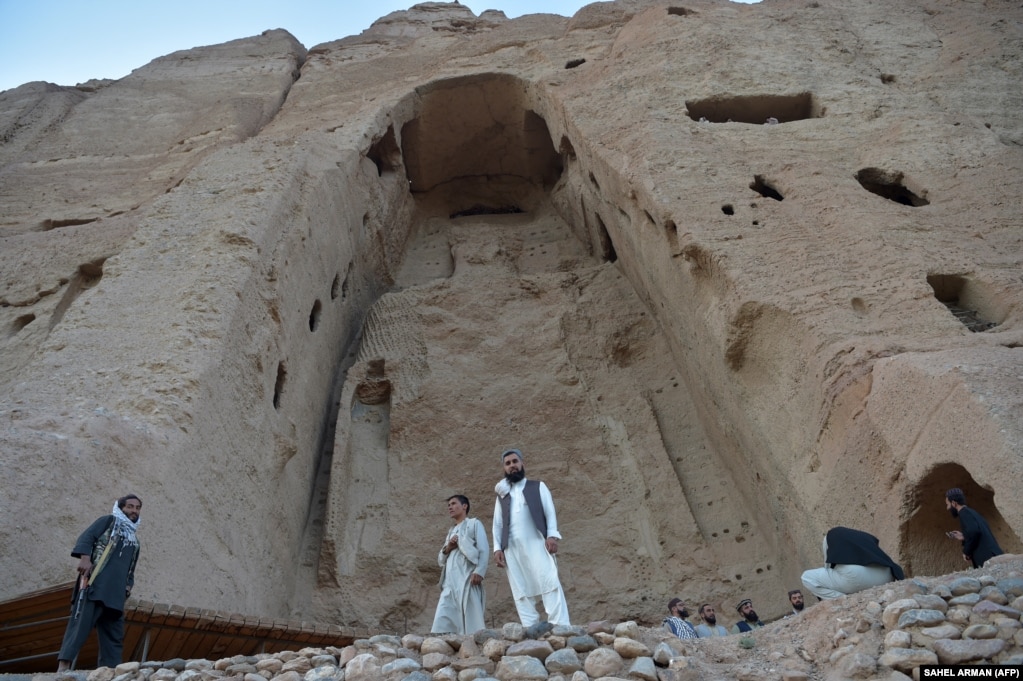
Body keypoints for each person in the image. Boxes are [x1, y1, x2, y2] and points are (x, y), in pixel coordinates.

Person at [56, 495, 142, 672]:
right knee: (80, 625)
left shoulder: (134, 540)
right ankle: (63, 667)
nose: (134, 511)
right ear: (121, 508)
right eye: (130, 506)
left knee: (113, 635)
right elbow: (87, 537)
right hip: (95, 584)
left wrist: (128, 586)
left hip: (116, 593)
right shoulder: (109, 522)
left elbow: (130, 568)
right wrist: (85, 559)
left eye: (137, 508)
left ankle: (110, 671)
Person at [492, 448, 570, 626]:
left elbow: (550, 512)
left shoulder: (538, 486)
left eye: (515, 462)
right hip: (512, 548)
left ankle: (561, 626)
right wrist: (497, 548)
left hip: (538, 544)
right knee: (520, 589)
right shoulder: (502, 497)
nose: (512, 466)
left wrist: (552, 536)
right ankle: (530, 627)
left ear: (522, 464)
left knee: (549, 581)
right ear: (504, 469)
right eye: (508, 464)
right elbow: (497, 524)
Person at [431, 494, 489, 634]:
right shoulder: (451, 531)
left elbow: (483, 549)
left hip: (467, 578)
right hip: (450, 581)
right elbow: (441, 559)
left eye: (453, 503)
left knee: (471, 616)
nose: (450, 507)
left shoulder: (474, 524)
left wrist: (479, 571)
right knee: (444, 613)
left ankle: (475, 645)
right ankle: (442, 644)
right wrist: (449, 547)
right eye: (449, 505)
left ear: (464, 506)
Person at [800, 526, 904, 600]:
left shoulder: (830, 537)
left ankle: (842, 599)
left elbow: (828, 567)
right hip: (888, 575)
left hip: (856, 579)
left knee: (806, 577)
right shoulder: (861, 538)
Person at [945, 488, 1003, 568]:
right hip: (993, 556)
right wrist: (964, 537)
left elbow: (974, 532)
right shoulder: (971, 512)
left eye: (948, 504)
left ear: (954, 503)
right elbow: (977, 532)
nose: (947, 508)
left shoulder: (964, 513)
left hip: (989, 559)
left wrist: (966, 552)